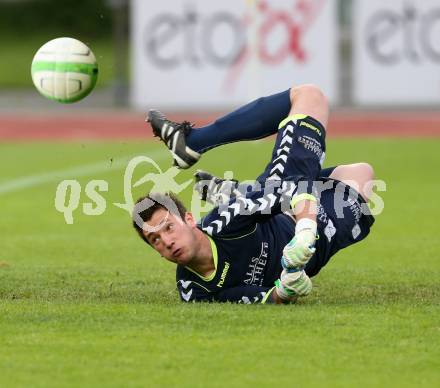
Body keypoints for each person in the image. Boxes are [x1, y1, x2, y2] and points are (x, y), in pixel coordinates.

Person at [132, 84, 375, 304]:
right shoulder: (193, 289)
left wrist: (304, 235)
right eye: (156, 241)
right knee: (361, 174)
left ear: (189, 220)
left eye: (168, 228)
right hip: (320, 245)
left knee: (310, 97)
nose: (166, 241)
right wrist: (286, 290)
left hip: (284, 202)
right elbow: (265, 298)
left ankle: (196, 144)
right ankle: (242, 191)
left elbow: (294, 190)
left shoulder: (226, 221)